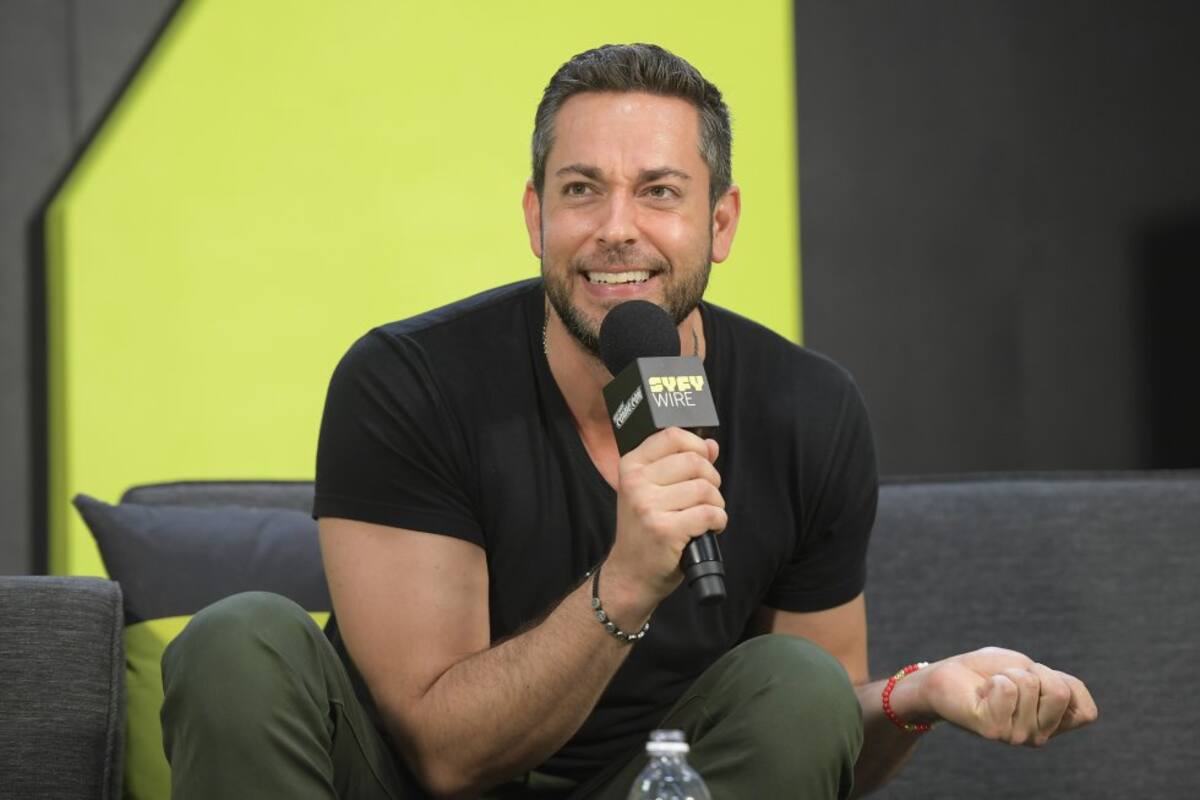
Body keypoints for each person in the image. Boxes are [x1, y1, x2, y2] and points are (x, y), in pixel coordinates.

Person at [161, 43, 1098, 799]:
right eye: (581, 190)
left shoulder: (807, 408)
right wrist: (629, 580)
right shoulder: (406, 381)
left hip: (660, 782)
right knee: (238, 639)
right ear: (535, 217)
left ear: (720, 223)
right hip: (403, 783)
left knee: (805, 684)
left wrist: (916, 696)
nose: (617, 228)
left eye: (659, 191)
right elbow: (446, 757)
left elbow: (814, 748)